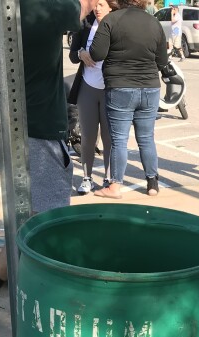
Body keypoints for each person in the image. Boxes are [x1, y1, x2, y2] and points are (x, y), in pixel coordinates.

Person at [0, 0, 80, 330]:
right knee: (49, 220)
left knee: (27, 212)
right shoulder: (48, 5)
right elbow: (84, 10)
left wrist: (2, 92)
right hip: (37, 129)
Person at [90, 0, 168, 199]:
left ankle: (115, 187)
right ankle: (152, 183)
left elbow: (97, 53)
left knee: (119, 140)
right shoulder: (154, 22)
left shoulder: (111, 20)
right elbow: (162, 61)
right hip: (150, 87)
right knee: (146, 138)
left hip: (120, 86)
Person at [68, 0, 115, 195]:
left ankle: (109, 178)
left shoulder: (116, 24)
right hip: (87, 87)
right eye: (95, 4)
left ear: (111, 6)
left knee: (109, 136)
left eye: (101, 4)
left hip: (110, 88)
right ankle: (86, 178)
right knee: (87, 136)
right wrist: (80, 53)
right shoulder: (85, 23)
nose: (97, 8)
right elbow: (72, 55)